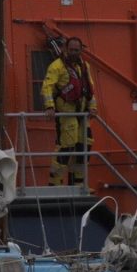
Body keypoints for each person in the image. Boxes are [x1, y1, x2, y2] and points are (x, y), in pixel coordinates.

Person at [42, 36, 97, 187]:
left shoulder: (84, 66)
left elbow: (90, 89)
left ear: (81, 50)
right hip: (67, 114)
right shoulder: (56, 66)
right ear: (66, 49)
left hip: (82, 115)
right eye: (71, 50)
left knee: (84, 147)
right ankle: (55, 184)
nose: (74, 53)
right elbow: (47, 87)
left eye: (76, 50)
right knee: (66, 147)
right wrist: (49, 106)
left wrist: (93, 108)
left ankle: (78, 184)